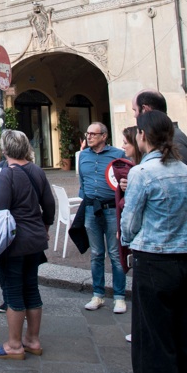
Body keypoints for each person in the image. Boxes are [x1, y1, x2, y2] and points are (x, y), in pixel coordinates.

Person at [121, 110, 187, 373]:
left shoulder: (142, 172)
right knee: (185, 337)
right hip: (185, 260)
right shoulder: (184, 170)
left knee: (153, 340)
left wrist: (127, 241)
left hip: (153, 261)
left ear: (142, 136)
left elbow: (129, 223)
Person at [0, 129, 56, 360]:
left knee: (14, 291)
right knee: (32, 288)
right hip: (35, 241)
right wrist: (44, 229)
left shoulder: (8, 174)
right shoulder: (37, 171)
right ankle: (33, 340)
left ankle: (14, 345)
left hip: (15, 241)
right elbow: (49, 205)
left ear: (5, 150)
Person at [77, 122, 127, 314]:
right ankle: (98, 294)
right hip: (91, 209)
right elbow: (82, 181)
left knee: (115, 253)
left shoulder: (117, 155)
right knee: (96, 253)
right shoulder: (83, 156)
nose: (89, 137)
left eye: (93, 134)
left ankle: (119, 296)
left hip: (111, 209)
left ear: (104, 136)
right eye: (87, 133)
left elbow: (125, 179)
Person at [113, 126, 141, 344]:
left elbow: (130, 212)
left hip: (147, 244)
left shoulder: (141, 172)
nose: (122, 146)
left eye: (126, 142)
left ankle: (143, 330)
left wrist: (124, 233)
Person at [132, 90, 187, 175]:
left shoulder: (172, 139)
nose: (135, 115)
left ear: (145, 109)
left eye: (135, 110)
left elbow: (179, 181)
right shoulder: (168, 137)